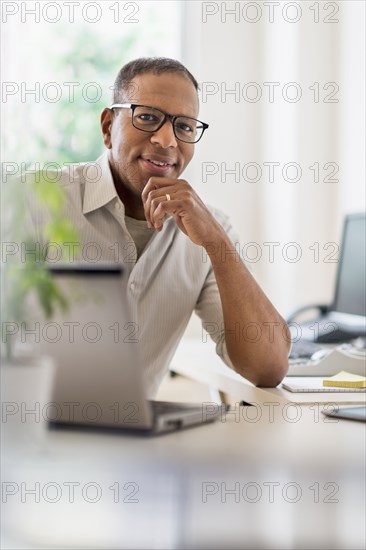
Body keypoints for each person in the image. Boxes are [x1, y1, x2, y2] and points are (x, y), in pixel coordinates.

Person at [25, 57, 291, 396]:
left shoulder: (209, 230)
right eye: (148, 117)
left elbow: (267, 367)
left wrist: (217, 244)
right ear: (108, 127)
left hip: (133, 443)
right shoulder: (33, 201)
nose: (167, 141)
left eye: (184, 127)